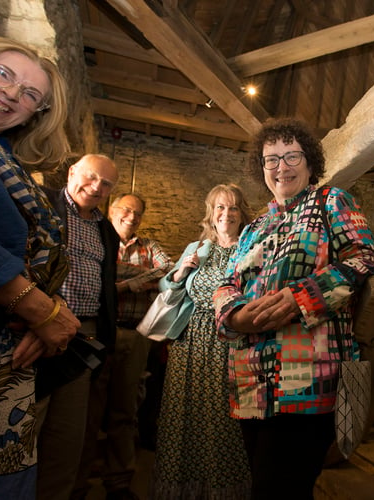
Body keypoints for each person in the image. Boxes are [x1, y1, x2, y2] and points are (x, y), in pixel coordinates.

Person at [213, 118, 374, 499]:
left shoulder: (331, 202)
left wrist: (298, 298)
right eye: (270, 159)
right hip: (250, 381)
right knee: (263, 484)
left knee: (277, 490)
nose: (281, 167)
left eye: (291, 156)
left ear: (310, 162)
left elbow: (363, 259)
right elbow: (226, 284)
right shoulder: (255, 226)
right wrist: (235, 316)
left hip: (307, 379)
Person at [0, 36, 79, 499]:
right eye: (3, 74)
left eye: (30, 95)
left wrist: (44, 307)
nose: (11, 94)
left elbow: (33, 255)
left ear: (35, 116)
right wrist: (34, 307)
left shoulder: (4, 158)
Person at [151, 184, 253, 499]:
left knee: (225, 421)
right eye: (220, 207)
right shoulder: (198, 247)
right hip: (189, 344)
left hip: (231, 342)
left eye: (233, 207)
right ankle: (183, 490)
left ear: (242, 214)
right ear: (211, 213)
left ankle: (224, 490)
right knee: (184, 418)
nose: (227, 214)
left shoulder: (250, 248)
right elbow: (168, 292)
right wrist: (179, 273)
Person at [72, 193, 173, 500]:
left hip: (135, 335)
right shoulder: (99, 240)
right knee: (88, 413)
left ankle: (118, 483)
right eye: (127, 210)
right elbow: (95, 280)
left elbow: (168, 271)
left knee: (125, 412)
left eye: (138, 213)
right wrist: (130, 283)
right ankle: (78, 485)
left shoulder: (149, 247)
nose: (132, 216)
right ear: (113, 211)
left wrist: (115, 280)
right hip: (99, 335)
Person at [35, 153, 120, 500]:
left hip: (83, 338)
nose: (97, 187)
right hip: (36, 329)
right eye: (91, 177)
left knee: (67, 437)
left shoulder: (105, 229)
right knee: (26, 426)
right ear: (72, 172)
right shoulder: (44, 206)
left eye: (106, 184)